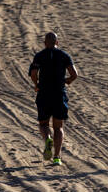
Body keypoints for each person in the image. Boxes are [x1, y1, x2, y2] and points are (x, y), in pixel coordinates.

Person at [29, 32, 78, 166]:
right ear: (57, 42)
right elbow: (74, 74)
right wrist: (67, 81)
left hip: (44, 93)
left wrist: (36, 84)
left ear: (45, 43)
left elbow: (33, 73)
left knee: (43, 124)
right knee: (58, 127)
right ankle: (57, 157)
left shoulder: (39, 56)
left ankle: (47, 139)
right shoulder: (64, 55)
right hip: (59, 94)